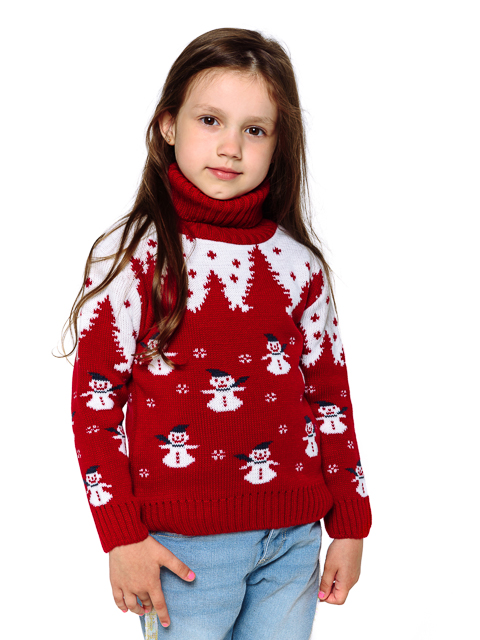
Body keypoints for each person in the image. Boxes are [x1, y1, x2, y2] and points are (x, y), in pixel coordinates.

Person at [61, 27, 372, 640]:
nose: (230, 147)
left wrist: (351, 523)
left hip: (294, 540)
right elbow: (94, 407)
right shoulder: (131, 259)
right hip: (181, 549)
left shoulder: (300, 267)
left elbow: (330, 399)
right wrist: (120, 535)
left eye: (254, 130)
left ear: (279, 145)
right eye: (210, 120)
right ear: (167, 125)